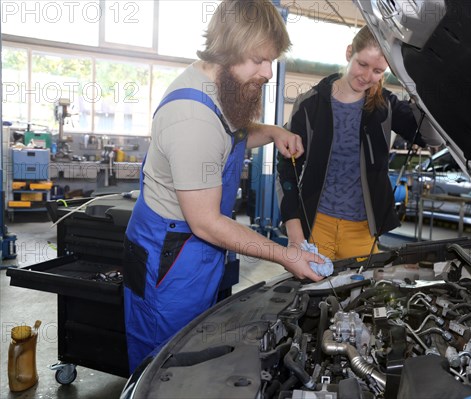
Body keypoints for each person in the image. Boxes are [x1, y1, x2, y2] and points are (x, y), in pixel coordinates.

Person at [122, 0, 326, 374]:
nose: (267, 72)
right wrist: (286, 254)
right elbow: (205, 223)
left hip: (194, 250)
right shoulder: (191, 118)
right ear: (226, 49)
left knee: (202, 350)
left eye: (272, 60)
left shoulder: (216, 85)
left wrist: (274, 132)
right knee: (168, 365)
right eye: (258, 60)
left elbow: (231, 135)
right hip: (171, 258)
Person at [277, 25, 430, 261]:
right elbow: (287, 167)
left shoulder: (385, 106)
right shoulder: (310, 104)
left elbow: (430, 137)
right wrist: (294, 233)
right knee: (313, 295)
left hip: (362, 230)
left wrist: (418, 86)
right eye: (362, 64)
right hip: (316, 226)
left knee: (360, 296)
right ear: (349, 53)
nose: (368, 77)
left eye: (379, 71)